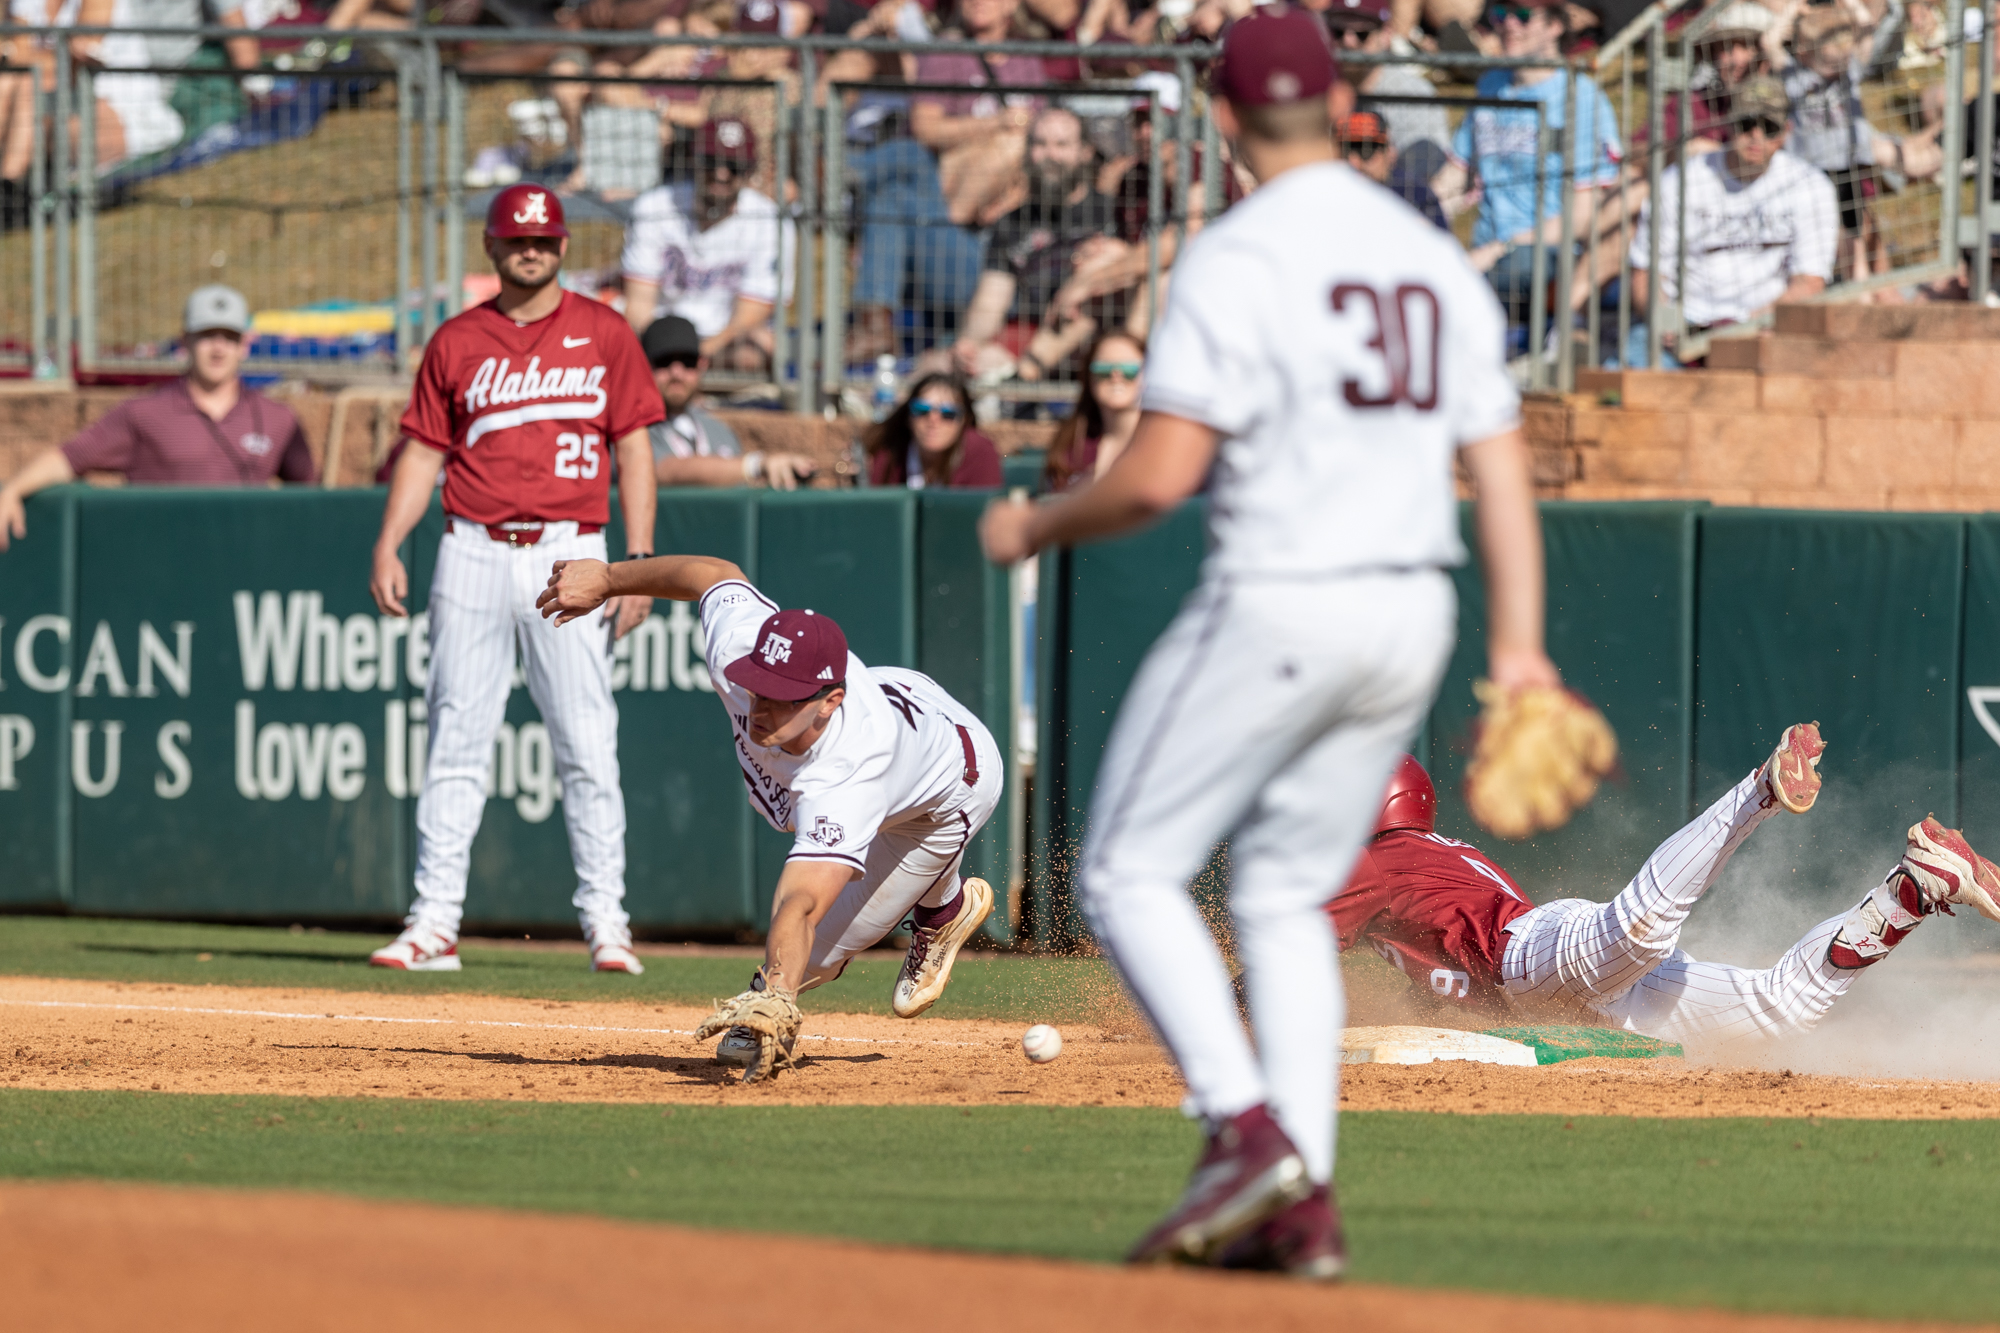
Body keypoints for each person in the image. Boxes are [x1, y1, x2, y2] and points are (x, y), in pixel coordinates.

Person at [979, 6, 1559, 1280]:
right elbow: (1498, 462)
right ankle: (1301, 1205)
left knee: (1128, 870)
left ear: (1223, 118)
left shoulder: (1239, 253)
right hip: (1413, 612)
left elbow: (1154, 476)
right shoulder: (1421, 253)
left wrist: (1035, 521)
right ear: (1338, 101)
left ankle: (1239, 1127)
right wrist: (1518, 649)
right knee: (1285, 896)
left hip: (1286, 593)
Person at [535, 556, 1003, 1082]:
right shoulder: (742, 649)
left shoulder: (850, 770)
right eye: (758, 685)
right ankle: (942, 899)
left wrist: (775, 992)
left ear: (830, 702)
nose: (759, 706)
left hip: (946, 795)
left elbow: (801, 902)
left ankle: (941, 911)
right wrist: (609, 578)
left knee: (818, 954)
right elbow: (714, 574)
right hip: (909, 708)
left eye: (780, 699)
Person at [365, 185, 664, 975]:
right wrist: (391, 541)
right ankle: (434, 923)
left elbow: (634, 447)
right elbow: (424, 452)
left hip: (571, 549)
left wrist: (633, 562)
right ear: (493, 247)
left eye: (543, 238)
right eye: (515, 238)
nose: (530, 249)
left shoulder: (604, 331)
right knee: (455, 738)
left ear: (562, 246)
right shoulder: (457, 339)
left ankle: (607, 922)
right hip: (470, 547)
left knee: (587, 742)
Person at [1331, 729, 2000, 1045]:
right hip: (1573, 998)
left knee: (1640, 926)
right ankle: (1912, 890)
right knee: (1780, 1010)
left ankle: (1761, 788)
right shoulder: (1420, 862)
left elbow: (1294, 939)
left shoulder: (1380, 859)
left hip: (1531, 961)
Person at [0, 284, 314, 550]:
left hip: (245, 569)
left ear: (245, 345)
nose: (218, 348)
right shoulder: (145, 413)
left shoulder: (277, 419)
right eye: (207, 335)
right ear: (185, 341)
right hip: (160, 566)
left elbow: (314, 499)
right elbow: (70, 458)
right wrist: (12, 490)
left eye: (229, 337)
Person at [1435, 0, 1623, 336]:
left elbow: (1583, 215)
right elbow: (1455, 175)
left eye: (1522, 15)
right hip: (1486, 253)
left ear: (1555, 26)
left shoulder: (1581, 98)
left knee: (1512, 270)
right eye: (1500, 14)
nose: (1509, 24)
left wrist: (1499, 250)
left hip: (1544, 257)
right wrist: (1417, 214)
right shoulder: (1490, 86)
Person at [1627, 77, 1837, 362]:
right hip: (1686, 325)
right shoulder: (1679, 180)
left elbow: (1809, 282)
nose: (1756, 136)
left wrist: (1758, 323)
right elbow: (1647, 273)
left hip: (1763, 328)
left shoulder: (1810, 186)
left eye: (1769, 127)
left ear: (1787, 131)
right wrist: (1665, 321)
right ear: (1728, 123)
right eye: (1746, 124)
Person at [952, 105, 1117, 383]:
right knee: (945, 365)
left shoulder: (1110, 213)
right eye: (1040, 144)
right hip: (1028, 337)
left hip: (1093, 341)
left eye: (1062, 144)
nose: (1050, 155)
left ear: (1085, 152)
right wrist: (969, 346)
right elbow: (991, 300)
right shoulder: (1012, 222)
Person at [621, 116, 796, 372]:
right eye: (712, 162)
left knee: (761, 348)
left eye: (734, 166)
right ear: (694, 161)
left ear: (749, 170)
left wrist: (693, 358)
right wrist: (665, 353)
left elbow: (750, 315)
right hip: (660, 333)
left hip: (723, 340)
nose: (722, 174)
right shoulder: (654, 206)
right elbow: (639, 304)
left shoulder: (771, 221)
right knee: (610, 329)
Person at [640, 315, 817, 489]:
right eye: (664, 362)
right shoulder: (633, 428)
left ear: (702, 364)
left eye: (688, 362)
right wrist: (756, 465)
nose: (676, 373)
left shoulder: (717, 430)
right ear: (643, 365)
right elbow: (665, 470)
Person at [1042, 331, 1144, 492]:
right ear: (1088, 376)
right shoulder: (1071, 442)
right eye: (1103, 369)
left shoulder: (1165, 441)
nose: (1115, 376)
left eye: (1129, 368)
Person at [865, 373, 1004, 489]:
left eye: (948, 413)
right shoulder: (887, 450)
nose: (933, 420)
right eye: (922, 410)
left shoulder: (981, 452)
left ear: (965, 420)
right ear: (908, 416)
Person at [1338, 110, 1447, 229]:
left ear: (1389, 151)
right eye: (1346, 151)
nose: (1354, 162)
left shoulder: (1414, 191)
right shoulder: (1328, 195)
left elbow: (1442, 240)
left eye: (1366, 152)